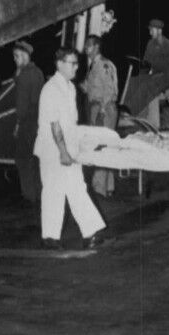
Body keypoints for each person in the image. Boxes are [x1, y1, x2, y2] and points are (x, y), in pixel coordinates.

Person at [35, 46, 108, 250]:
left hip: (68, 147)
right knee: (53, 191)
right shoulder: (51, 89)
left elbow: (70, 124)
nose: (76, 67)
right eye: (72, 63)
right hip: (53, 149)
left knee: (76, 186)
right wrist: (63, 152)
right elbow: (54, 124)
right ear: (60, 64)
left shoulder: (69, 88)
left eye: (77, 63)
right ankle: (50, 237)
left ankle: (90, 232)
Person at [81, 34, 120, 196]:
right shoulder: (93, 66)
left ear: (96, 47)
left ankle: (99, 189)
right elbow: (95, 87)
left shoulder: (104, 65)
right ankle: (108, 187)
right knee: (106, 147)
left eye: (88, 45)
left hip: (104, 109)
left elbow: (110, 90)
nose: (85, 48)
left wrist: (102, 111)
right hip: (97, 107)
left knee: (100, 147)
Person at [11, 41, 45, 206]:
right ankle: (38, 192)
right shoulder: (38, 72)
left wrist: (18, 123)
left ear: (24, 56)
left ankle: (28, 194)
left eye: (17, 56)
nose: (15, 60)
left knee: (22, 158)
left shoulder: (24, 75)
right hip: (39, 119)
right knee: (36, 158)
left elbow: (21, 105)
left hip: (27, 121)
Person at [137, 18, 169, 128]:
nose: (150, 32)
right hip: (153, 81)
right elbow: (146, 65)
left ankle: (161, 127)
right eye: (149, 29)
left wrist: (168, 87)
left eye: (152, 30)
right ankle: (149, 127)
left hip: (166, 82)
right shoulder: (150, 44)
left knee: (167, 117)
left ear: (159, 31)